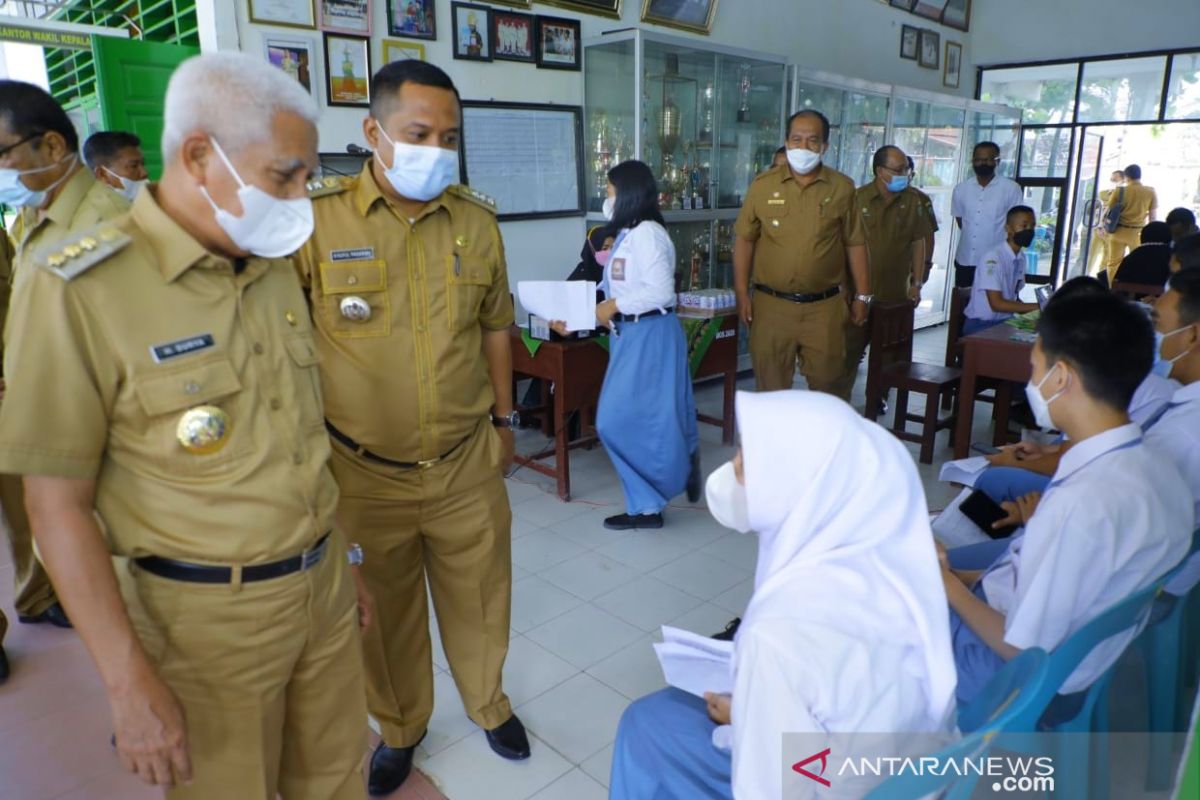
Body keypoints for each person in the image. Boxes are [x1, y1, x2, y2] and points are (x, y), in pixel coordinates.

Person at [0, 52, 373, 797]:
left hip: (322, 595)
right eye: (285, 176)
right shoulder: (79, 285)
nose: (303, 197)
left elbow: (305, 438)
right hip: (206, 625)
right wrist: (128, 683)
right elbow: (55, 505)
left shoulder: (269, 264)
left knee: (335, 781)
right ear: (200, 156)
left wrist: (342, 559)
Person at [295, 60, 525, 795]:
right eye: (418, 132)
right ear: (372, 132)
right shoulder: (316, 220)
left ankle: (488, 703)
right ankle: (401, 728)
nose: (435, 147)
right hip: (361, 472)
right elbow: (289, 349)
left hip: (463, 460)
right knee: (383, 617)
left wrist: (505, 418)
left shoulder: (478, 222)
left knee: (482, 594)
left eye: (448, 136)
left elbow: (495, 329)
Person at [611, 391, 958, 799]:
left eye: (746, 461)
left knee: (644, 724)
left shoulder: (778, 631)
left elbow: (777, 788)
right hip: (909, 773)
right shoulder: (896, 562)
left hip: (840, 784)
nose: (733, 471)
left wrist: (748, 716)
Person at [940, 291, 1193, 705]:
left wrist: (947, 587)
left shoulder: (1081, 503)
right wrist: (959, 580)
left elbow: (1020, 650)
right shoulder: (1156, 467)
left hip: (1005, 676)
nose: (1032, 382)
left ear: (1061, 377)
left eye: (1034, 367)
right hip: (1067, 656)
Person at [0, 81, 134, 634]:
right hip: (56, 437)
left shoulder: (104, 225)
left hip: (105, 458)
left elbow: (124, 358)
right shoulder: (32, 221)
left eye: (2, 154)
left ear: (52, 148)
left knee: (131, 606)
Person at [586, 160, 700, 531]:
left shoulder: (648, 233)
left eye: (609, 191)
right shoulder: (629, 233)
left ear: (628, 193)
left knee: (616, 419)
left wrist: (614, 306)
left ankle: (670, 475)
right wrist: (588, 307)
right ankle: (648, 504)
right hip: (629, 333)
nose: (606, 198)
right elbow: (619, 283)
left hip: (649, 332)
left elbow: (659, 291)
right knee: (636, 418)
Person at [733, 110, 870, 398]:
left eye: (812, 140)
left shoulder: (842, 188)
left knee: (829, 390)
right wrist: (742, 295)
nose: (803, 147)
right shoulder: (762, 185)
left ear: (825, 147)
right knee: (771, 393)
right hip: (771, 307)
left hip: (825, 308)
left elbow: (855, 243)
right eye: (796, 140)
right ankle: (776, 445)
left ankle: (823, 444)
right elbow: (744, 241)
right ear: (786, 141)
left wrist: (863, 296)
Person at [832, 145, 935, 401]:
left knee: (889, 354)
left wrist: (917, 282)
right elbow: (839, 243)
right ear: (880, 171)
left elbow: (919, 241)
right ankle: (838, 403)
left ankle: (877, 398)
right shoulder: (856, 199)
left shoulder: (913, 201)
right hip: (857, 294)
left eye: (907, 169)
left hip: (894, 294)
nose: (906, 174)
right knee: (847, 352)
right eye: (899, 169)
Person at [1145, 268, 1200, 596]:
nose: (1154, 338)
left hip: (1151, 587)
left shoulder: (1181, 434)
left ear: (1192, 336)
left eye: (1157, 326)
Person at [951, 141, 1023, 288]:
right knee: (963, 305)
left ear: (998, 161)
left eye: (988, 159)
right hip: (966, 260)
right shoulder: (961, 189)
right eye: (978, 159)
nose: (983, 163)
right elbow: (961, 222)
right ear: (972, 161)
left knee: (995, 306)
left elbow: (1016, 227)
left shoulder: (1011, 189)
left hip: (996, 262)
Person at [962, 205, 1039, 334]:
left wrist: (1034, 313)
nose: (1029, 230)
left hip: (1005, 322)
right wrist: (1038, 307)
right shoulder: (993, 259)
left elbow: (1013, 297)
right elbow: (997, 304)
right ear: (1008, 228)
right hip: (981, 326)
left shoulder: (1021, 258)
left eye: (1032, 226)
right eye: (1024, 226)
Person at [1102, 163, 1158, 273]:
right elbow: (1153, 217)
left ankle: (1111, 287)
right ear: (1140, 176)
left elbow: (1108, 211)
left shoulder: (1119, 191)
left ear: (1126, 177)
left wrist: (1102, 226)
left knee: (1113, 264)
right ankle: (1132, 288)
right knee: (1137, 263)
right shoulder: (1150, 192)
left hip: (1117, 232)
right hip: (1137, 233)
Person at [82, 130, 149, 202]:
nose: (145, 173)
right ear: (102, 174)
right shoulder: (93, 211)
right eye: (133, 166)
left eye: (143, 164)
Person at [1111, 220, 1172, 287]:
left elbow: (1118, 280)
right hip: (1163, 295)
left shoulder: (1133, 255)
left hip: (1131, 295)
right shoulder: (1172, 255)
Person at [908, 155, 938, 284]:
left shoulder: (921, 199)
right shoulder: (870, 198)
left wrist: (926, 265)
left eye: (905, 171)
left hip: (910, 265)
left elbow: (928, 235)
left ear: (912, 174)